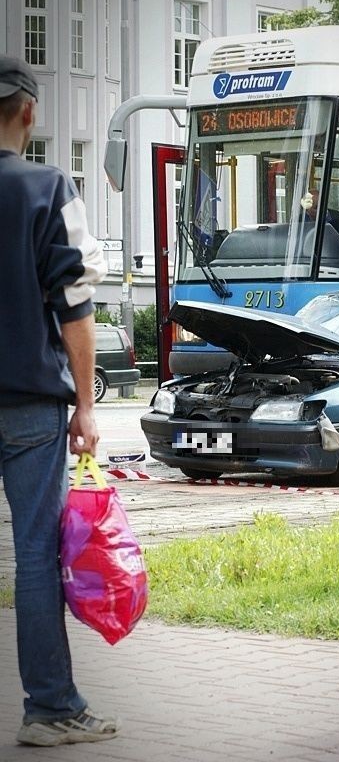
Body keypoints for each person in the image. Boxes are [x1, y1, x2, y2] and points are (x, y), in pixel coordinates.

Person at [0, 55, 120, 746]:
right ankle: (49, 709)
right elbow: (75, 306)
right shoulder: (47, 185)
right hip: (27, 405)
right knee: (36, 554)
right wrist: (86, 405)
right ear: (30, 111)